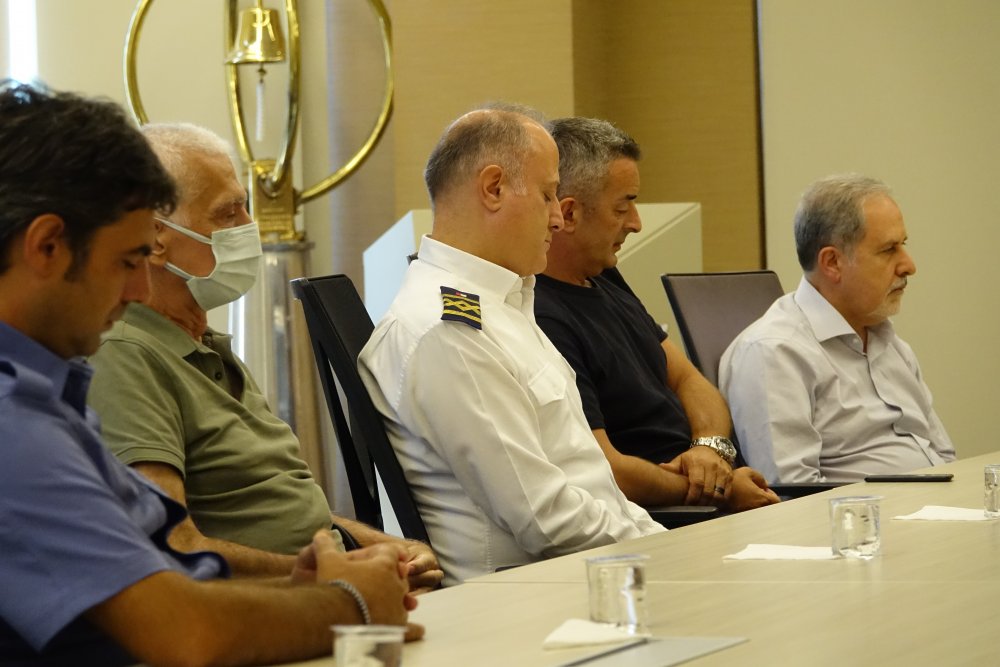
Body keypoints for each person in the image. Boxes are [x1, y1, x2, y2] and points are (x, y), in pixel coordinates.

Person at [0, 82, 417, 666]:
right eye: (126, 261)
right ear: (47, 246)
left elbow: (171, 569)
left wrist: (305, 587)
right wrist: (352, 602)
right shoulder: (14, 422)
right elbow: (184, 631)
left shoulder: (48, 395)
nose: (140, 289)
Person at [86, 122, 442, 589]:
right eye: (227, 213)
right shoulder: (126, 354)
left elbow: (278, 505)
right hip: (279, 609)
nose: (248, 228)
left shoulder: (203, 342)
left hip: (330, 590)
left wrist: (384, 548)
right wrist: (341, 576)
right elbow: (172, 544)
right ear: (154, 237)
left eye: (244, 207)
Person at [358, 105, 664, 585]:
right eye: (547, 195)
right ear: (494, 188)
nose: (558, 219)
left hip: (589, 571)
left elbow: (588, 486)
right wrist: (670, 553)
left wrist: (663, 541)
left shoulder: (503, 303)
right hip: (531, 596)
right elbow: (544, 518)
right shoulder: (447, 329)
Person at [534, 116, 778, 512]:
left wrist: (709, 450)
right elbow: (606, 470)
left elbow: (688, 378)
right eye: (623, 206)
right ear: (570, 213)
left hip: (709, 495)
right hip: (665, 518)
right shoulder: (542, 316)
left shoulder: (604, 275)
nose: (636, 223)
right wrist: (716, 490)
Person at [719, 173, 956, 482]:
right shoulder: (775, 352)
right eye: (889, 250)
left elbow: (945, 456)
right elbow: (791, 491)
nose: (909, 265)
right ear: (832, 262)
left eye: (904, 245)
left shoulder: (890, 343)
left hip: (935, 504)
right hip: (870, 512)